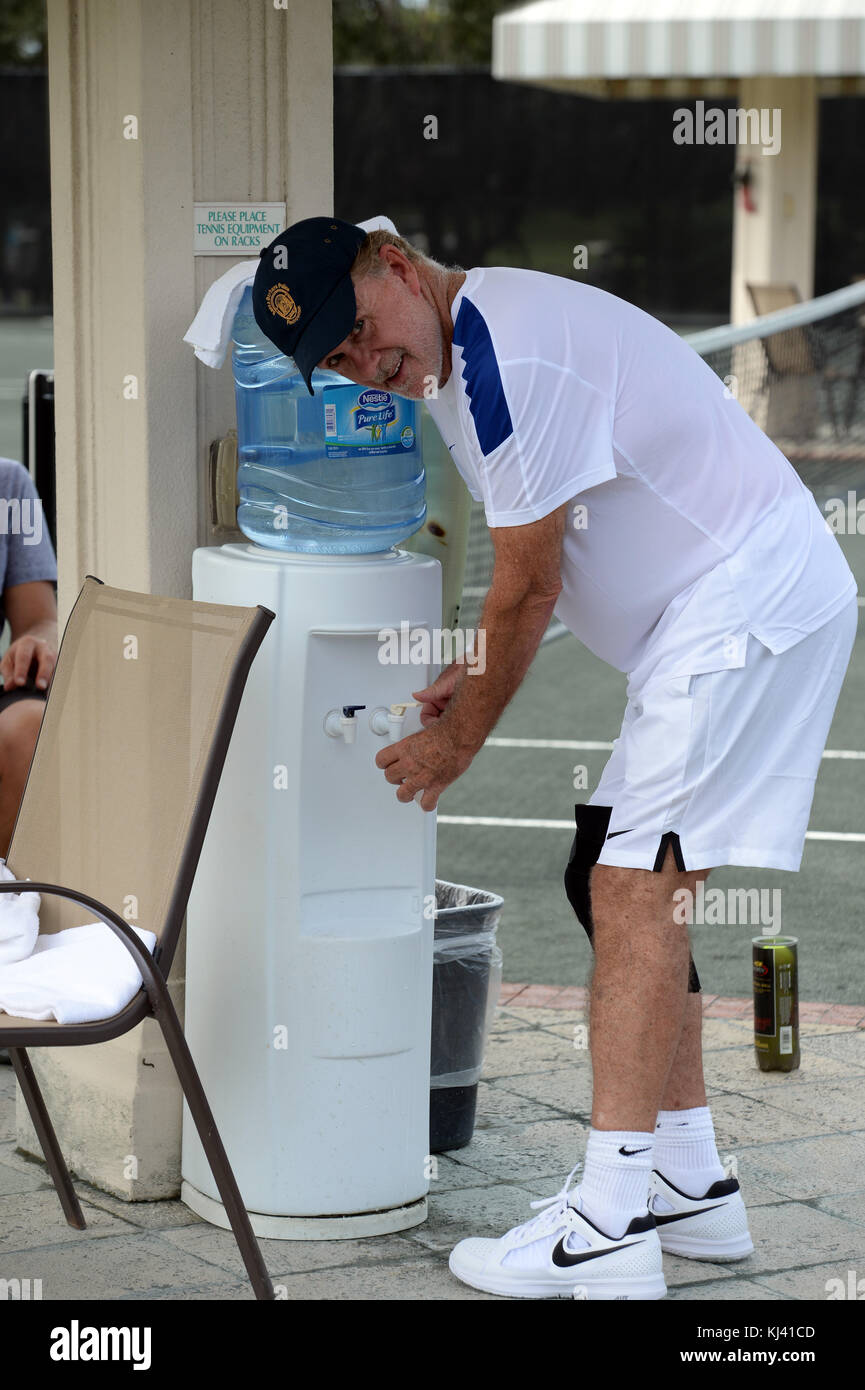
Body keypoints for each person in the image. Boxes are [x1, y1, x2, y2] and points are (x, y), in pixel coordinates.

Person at [251, 218, 858, 1300]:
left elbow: (526, 586)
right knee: (606, 873)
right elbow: (559, 556)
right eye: (336, 358)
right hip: (713, 612)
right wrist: (475, 667)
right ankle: (687, 1182)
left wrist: (455, 739)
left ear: (398, 267)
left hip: (743, 606)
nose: (364, 363)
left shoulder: (508, 355)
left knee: (636, 885)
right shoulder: (460, 353)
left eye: (362, 329)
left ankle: (608, 1223)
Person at [0, 456, 59, 1065]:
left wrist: (36, 638)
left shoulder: (6, 485)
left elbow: (37, 615)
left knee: (30, 724)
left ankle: (6, 945)